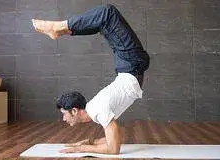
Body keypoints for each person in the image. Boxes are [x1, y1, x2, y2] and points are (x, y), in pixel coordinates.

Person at [32, 4, 150, 154]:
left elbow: (113, 147)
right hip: (130, 64)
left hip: (131, 65)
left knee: (106, 16)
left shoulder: (97, 110)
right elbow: (113, 144)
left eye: (64, 114)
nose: (63, 119)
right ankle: (60, 29)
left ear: (74, 110)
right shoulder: (96, 110)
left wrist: (83, 148)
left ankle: (60, 28)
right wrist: (89, 142)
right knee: (106, 15)